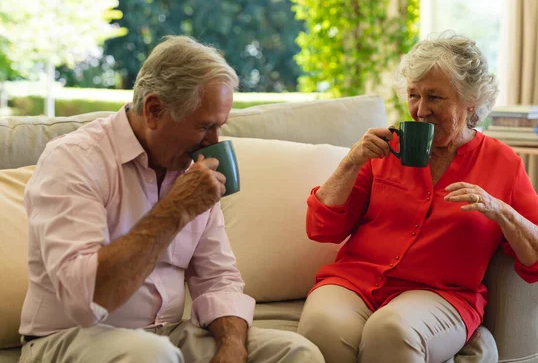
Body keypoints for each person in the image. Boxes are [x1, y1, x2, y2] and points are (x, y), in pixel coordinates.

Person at [19, 36, 324, 363]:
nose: (213, 143)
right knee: (153, 355)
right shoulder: (74, 160)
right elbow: (86, 299)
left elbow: (218, 279)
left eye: (219, 127)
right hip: (68, 339)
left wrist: (232, 347)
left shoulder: (187, 167)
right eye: (205, 126)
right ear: (154, 110)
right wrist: (176, 209)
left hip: (166, 337)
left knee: (295, 353)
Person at [297, 33, 538, 363]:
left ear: (471, 101)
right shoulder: (386, 149)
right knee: (321, 328)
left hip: (441, 294)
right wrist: (351, 162)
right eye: (414, 95)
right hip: (354, 282)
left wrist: (499, 210)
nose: (420, 110)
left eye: (435, 98)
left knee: (391, 330)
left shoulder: (502, 163)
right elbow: (322, 228)